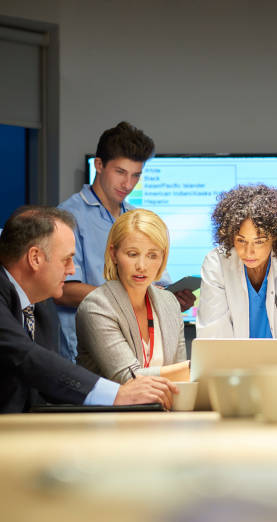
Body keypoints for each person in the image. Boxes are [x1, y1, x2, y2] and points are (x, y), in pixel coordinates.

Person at [0, 206, 177, 413]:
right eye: (66, 259)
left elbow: (46, 383)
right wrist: (117, 394)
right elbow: (25, 356)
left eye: (152, 255)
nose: (72, 270)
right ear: (35, 258)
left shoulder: (41, 306)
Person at [57, 121, 195, 362]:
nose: (128, 184)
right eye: (120, 172)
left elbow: (158, 283)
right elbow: (63, 290)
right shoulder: (68, 218)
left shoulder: (136, 218)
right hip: (84, 354)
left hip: (138, 351)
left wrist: (170, 300)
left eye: (136, 175)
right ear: (99, 165)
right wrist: (130, 298)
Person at [76, 209, 190, 383]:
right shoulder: (97, 306)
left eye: (152, 255)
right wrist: (197, 370)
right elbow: (129, 378)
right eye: (132, 254)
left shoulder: (169, 303)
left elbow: (182, 380)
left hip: (164, 408)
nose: (142, 266)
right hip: (110, 410)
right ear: (114, 254)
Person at [196, 184, 277, 339]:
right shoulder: (217, 263)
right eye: (241, 241)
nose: (249, 252)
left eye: (259, 241)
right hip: (233, 362)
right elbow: (213, 336)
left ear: (276, 237)